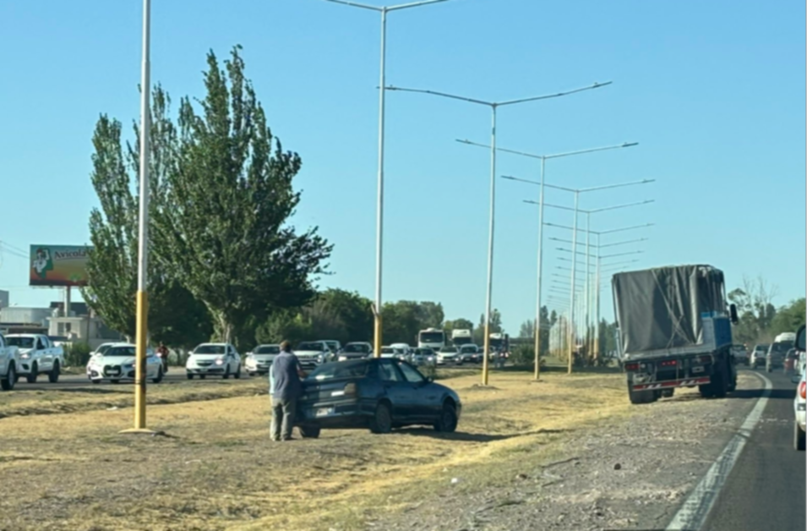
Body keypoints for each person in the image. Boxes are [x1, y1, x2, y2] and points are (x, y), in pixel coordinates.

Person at [270, 340, 306, 441]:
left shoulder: (275, 359)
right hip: (288, 391)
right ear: (290, 348)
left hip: (276, 392)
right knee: (288, 414)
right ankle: (285, 435)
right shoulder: (292, 358)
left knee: (276, 415)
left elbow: (273, 374)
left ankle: (275, 435)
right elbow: (300, 372)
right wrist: (308, 376)